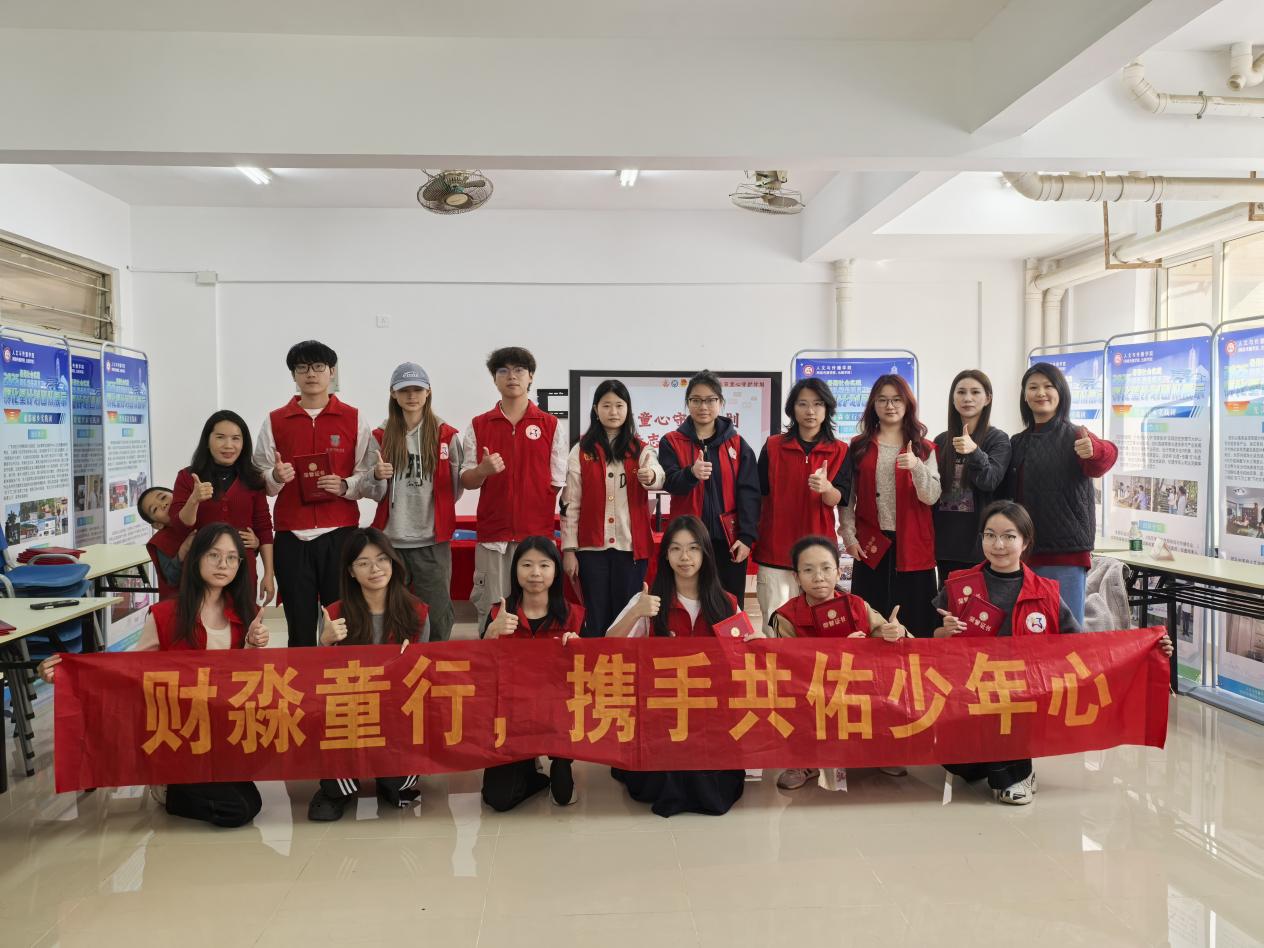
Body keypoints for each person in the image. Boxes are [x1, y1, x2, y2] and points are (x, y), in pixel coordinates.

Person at [933, 501, 1173, 805]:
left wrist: (1148, 649)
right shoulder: (959, 585)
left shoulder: (1045, 592)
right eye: (990, 535)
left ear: (1025, 542)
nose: (998, 545)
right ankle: (988, 761)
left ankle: (1017, 773)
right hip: (970, 688)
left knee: (1004, 736)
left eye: (1009, 536)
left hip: (1019, 693)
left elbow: (1080, 646)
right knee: (959, 765)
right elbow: (930, 645)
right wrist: (945, 632)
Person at [40, 523, 270, 828]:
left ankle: (193, 782)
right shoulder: (165, 615)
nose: (223, 565)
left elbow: (250, 680)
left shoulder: (246, 611)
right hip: (180, 734)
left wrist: (253, 645)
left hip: (220, 732)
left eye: (231, 558)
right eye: (214, 555)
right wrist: (68, 674)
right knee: (237, 809)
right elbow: (131, 671)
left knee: (253, 802)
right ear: (197, 558)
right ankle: (167, 790)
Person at [607, 516, 760, 817]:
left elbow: (743, 660)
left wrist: (758, 643)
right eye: (676, 549)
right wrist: (636, 613)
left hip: (710, 716)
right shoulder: (648, 600)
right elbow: (607, 646)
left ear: (705, 553)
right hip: (662, 713)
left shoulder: (726, 603)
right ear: (666, 555)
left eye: (693, 548)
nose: (685, 557)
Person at [252, 340, 379, 648]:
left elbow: (367, 473)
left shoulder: (353, 417)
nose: (311, 374)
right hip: (292, 536)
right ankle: (302, 678)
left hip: (341, 534)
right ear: (293, 374)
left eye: (318, 367)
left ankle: (343, 675)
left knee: (343, 624)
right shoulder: (275, 420)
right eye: (302, 368)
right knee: (300, 626)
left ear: (332, 371)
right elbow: (258, 475)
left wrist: (345, 485)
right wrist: (275, 477)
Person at [770, 535, 910, 792]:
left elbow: (887, 636)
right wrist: (838, 652)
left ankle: (880, 751)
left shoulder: (858, 605)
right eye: (808, 570)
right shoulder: (786, 616)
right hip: (811, 690)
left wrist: (896, 632)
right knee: (787, 694)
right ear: (796, 577)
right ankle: (803, 761)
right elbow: (789, 667)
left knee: (892, 679)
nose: (819, 577)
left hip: (857, 687)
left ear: (838, 572)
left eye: (826, 568)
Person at [308, 527, 430, 821]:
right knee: (333, 791)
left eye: (382, 560)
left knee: (397, 787)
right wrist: (324, 643)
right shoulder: (334, 613)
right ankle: (338, 788)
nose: (375, 569)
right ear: (351, 571)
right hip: (349, 712)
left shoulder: (417, 612)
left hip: (396, 712)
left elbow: (424, 678)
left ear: (393, 563)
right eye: (363, 563)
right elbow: (319, 680)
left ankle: (389, 776)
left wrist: (410, 663)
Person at [460, 347, 569, 634]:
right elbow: (467, 480)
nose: (512, 376)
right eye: (503, 371)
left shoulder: (550, 425)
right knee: (492, 610)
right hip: (493, 536)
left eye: (519, 370)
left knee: (536, 610)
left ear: (530, 376)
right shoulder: (478, 425)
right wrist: (483, 471)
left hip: (535, 538)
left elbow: (557, 480)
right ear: (494, 379)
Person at [1001, 363, 1117, 625]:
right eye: (1033, 387)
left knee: (1066, 632)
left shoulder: (1077, 435)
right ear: (1024, 396)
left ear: (1061, 393)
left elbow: (1104, 459)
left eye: (1048, 386)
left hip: (1065, 555)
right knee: (1026, 630)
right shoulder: (1017, 442)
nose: (1040, 393)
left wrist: (1095, 449)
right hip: (1022, 554)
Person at [480, 537, 586, 810]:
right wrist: (490, 634)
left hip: (558, 713)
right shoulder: (499, 613)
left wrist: (580, 649)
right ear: (515, 570)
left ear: (556, 571)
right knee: (499, 800)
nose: (535, 573)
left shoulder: (574, 616)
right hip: (512, 716)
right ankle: (529, 766)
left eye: (544, 565)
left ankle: (561, 760)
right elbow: (479, 671)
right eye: (526, 565)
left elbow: (592, 675)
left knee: (563, 797)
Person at [367, 362, 463, 641]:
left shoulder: (446, 435)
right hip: (391, 541)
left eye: (418, 389)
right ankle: (397, 663)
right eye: (404, 390)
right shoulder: (380, 437)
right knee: (391, 613)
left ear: (428, 392)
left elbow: (454, 489)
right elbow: (372, 491)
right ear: (393, 394)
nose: (411, 396)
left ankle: (434, 662)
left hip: (432, 541)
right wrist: (377, 476)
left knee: (437, 614)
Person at [839, 375, 941, 638]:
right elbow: (848, 497)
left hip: (913, 544)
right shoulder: (859, 446)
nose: (890, 405)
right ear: (873, 405)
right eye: (882, 400)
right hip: (871, 544)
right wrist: (848, 535)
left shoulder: (925, 448)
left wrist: (916, 466)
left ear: (908, 404)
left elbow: (931, 496)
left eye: (896, 399)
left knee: (916, 622)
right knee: (870, 621)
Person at [561, 380, 664, 637]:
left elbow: (658, 474)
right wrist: (569, 550)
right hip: (590, 551)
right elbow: (570, 505)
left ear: (628, 409)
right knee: (595, 616)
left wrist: (650, 476)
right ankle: (594, 660)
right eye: (606, 405)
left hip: (630, 550)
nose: (613, 411)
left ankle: (624, 661)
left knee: (627, 615)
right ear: (596, 409)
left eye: (619, 405)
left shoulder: (640, 449)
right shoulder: (581, 450)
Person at [753, 378, 849, 632]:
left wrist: (826, 488)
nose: (810, 411)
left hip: (819, 553)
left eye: (818, 404)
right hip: (775, 550)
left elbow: (840, 498)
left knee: (820, 627)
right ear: (792, 409)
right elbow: (758, 496)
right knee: (775, 626)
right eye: (803, 404)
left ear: (827, 409)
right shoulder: (773, 446)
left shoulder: (840, 450)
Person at [659, 371, 760, 604]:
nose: (703, 406)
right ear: (688, 403)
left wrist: (746, 537)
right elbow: (669, 482)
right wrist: (691, 474)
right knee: (689, 602)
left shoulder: (738, 444)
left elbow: (750, 494)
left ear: (720, 402)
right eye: (696, 400)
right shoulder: (671, 441)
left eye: (710, 400)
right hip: (688, 541)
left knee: (729, 604)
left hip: (729, 541)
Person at [170, 410, 275, 605]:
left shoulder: (253, 478)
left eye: (236, 438)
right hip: (201, 566)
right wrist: (194, 500)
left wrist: (268, 573)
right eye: (220, 437)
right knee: (200, 619)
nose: (228, 445)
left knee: (243, 618)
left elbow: (264, 527)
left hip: (243, 567)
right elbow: (179, 526)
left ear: (244, 443)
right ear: (207, 440)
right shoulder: (187, 477)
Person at [933, 370, 1011, 583]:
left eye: (975, 392)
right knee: (948, 602)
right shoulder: (941, 440)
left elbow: (990, 481)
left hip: (981, 546)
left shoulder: (998, 439)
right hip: (946, 546)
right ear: (953, 398)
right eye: (961, 392)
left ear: (988, 398)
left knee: (982, 602)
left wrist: (975, 451)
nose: (967, 398)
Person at [137, 486, 193, 600]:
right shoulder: (162, 542)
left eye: (163, 498)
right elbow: (172, 578)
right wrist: (183, 551)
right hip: (190, 599)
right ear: (157, 525)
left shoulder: (203, 511)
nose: (163, 505)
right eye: (155, 509)